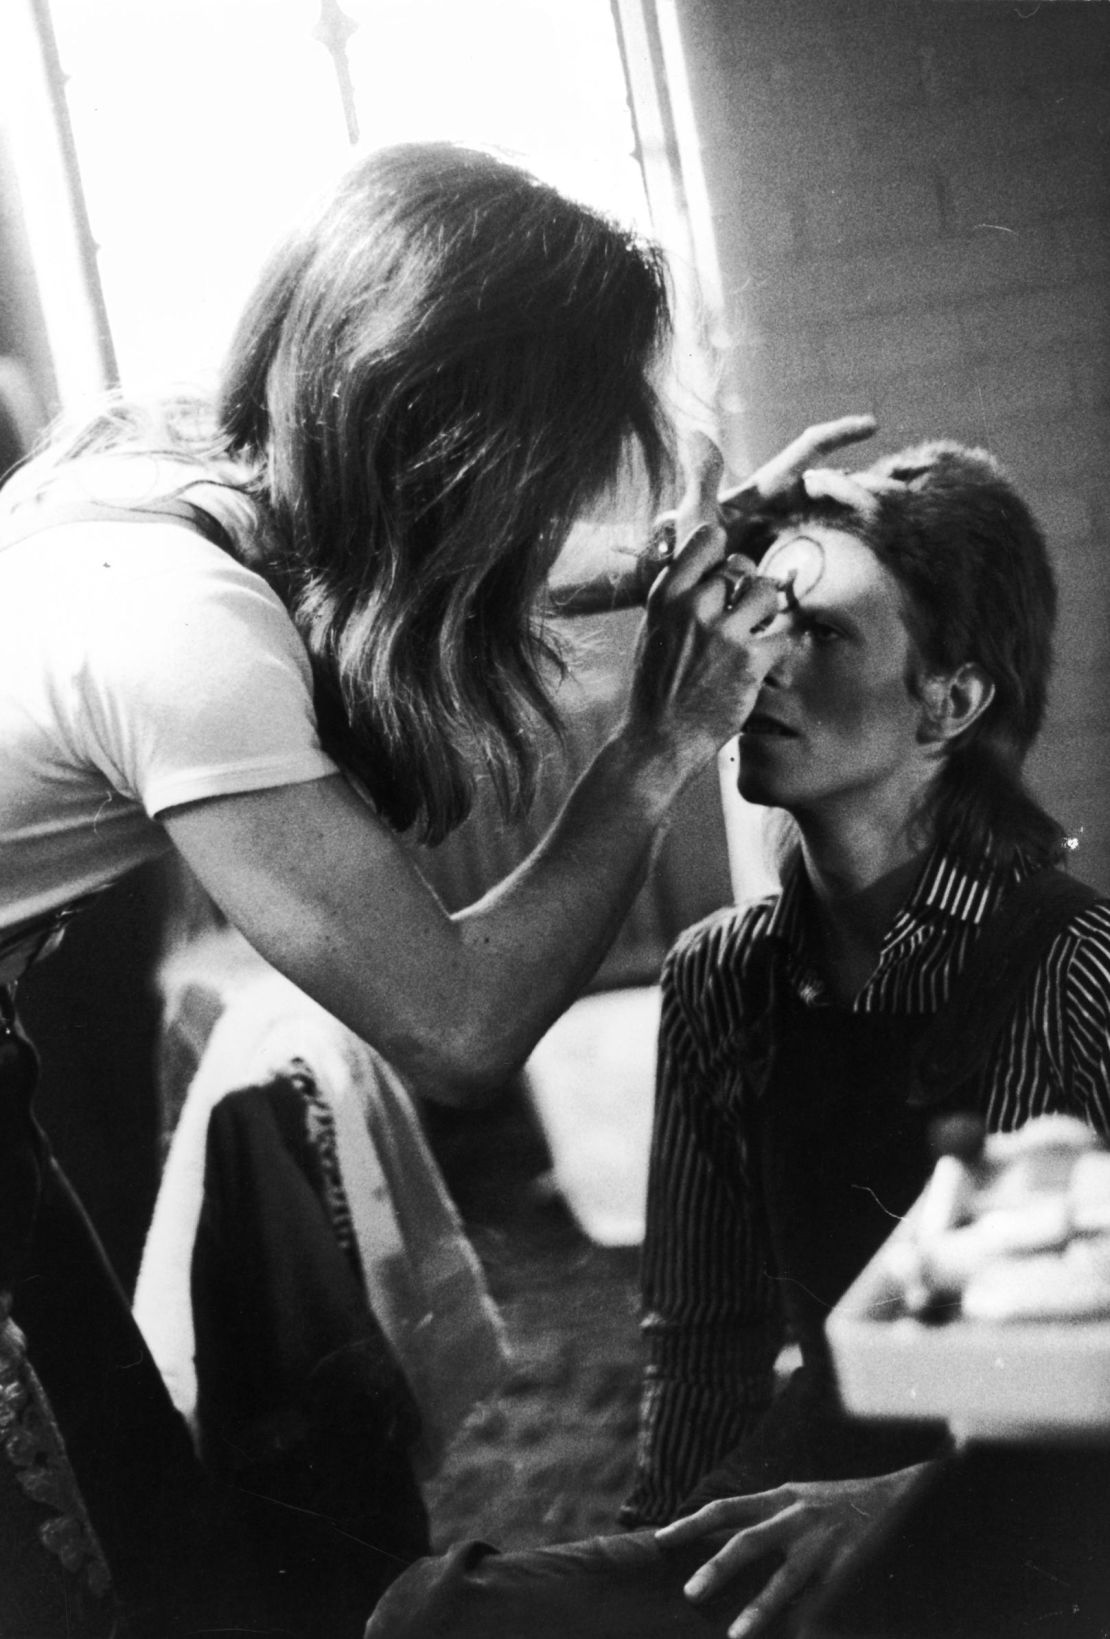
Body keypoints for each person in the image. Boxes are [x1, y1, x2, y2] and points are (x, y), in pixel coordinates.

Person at [0, 137, 872, 1636]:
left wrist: (682, 551)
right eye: (545, 475)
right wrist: (656, 743)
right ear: (450, 443)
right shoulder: (183, 634)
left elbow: (395, 556)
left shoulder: (175, 451)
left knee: (141, 1518)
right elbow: (456, 1026)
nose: (554, 517)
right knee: (75, 1575)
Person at [364, 437, 1110, 1639]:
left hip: (1019, 1530)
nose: (756, 659)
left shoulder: (1076, 970)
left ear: (952, 703)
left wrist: (907, 1507)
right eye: (758, 614)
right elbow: (703, 1345)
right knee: (438, 1614)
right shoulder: (722, 974)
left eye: (817, 631)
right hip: (788, 1509)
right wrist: (650, 1569)